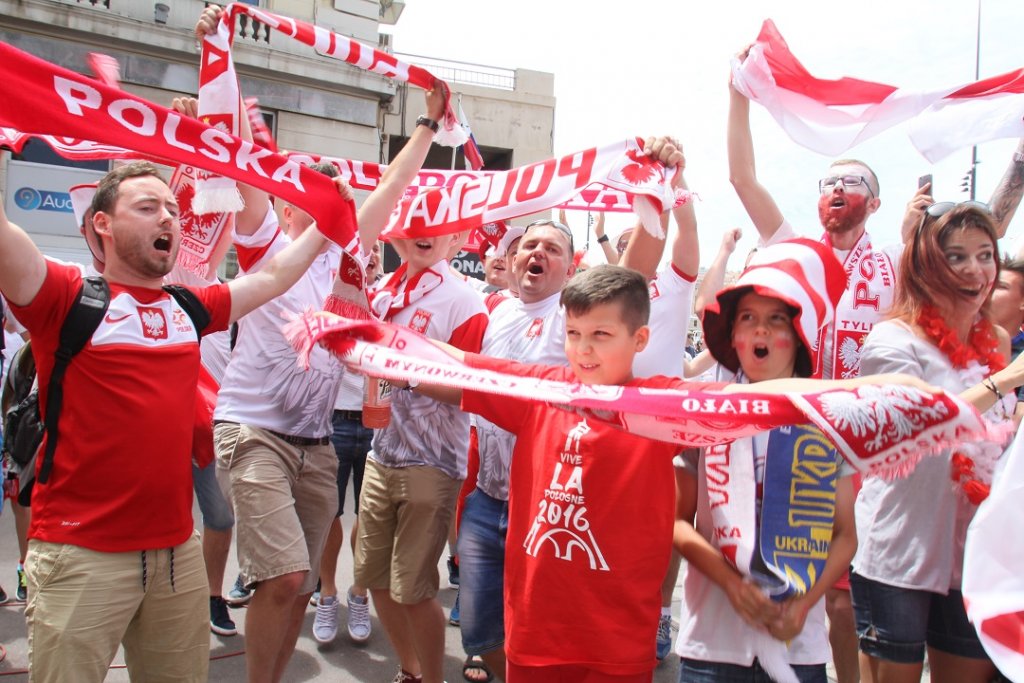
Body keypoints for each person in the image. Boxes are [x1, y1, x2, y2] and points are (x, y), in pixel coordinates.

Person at [402, 263, 927, 683]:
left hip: (619, 640)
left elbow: (765, 399)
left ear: (639, 338)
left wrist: (885, 397)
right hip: (535, 633)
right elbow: (455, 366)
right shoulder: (543, 388)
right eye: (574, 333)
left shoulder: (663, 405)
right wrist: (377, 342)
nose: (583, 349)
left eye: (601, 334)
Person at [727, 49, 1024, 682]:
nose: (837, 190)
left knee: (850, 593)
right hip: (812, 435)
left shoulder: (895, 259)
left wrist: (1016, 172)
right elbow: (744, 181)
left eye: (853, 181)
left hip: (885, 440)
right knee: (822, 592)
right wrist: (740, 95)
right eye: (828, 182)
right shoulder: (796, 251)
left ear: (878, 201)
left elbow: (974, 249)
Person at [0, 159, 348, 683]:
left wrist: (328, 216)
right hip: (79, 556)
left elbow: (276, 276)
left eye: (171, 209)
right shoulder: (64, 296)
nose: (168, 218)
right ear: (102, 225)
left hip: (175, 558)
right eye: (146, 207)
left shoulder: (189, 308)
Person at [852, 202, 1024, 683]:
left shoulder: (996, 339)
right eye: (956, 257)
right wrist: (1003, 382)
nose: (976, 270)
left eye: (986, 255)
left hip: (975, 554)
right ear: (926, 266)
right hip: (899, 551)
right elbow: (916, 425)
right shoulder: (891, 341)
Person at [674, 239, 854, 683]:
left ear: (797, 336)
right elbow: (676, 522)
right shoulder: (704, 411)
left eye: (775, 320)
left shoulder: (829, 417)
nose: (759, 332)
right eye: (747, 319)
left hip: (798, 645)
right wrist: (732, 584)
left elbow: (846, 535)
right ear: (732, 336)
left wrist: (805, 604)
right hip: (711, 645)